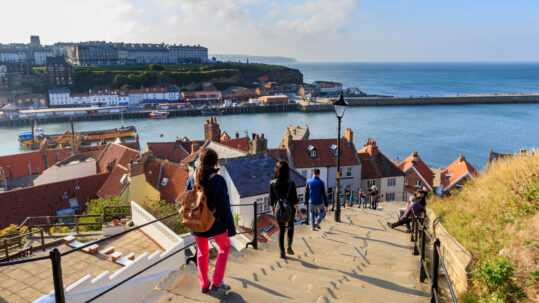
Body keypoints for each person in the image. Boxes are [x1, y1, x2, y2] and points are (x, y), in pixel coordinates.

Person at [184, 148, 236, 293]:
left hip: (197, 222)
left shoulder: (191, 178)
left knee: (202, 252)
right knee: (225, 247)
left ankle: (204, 284)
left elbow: (188, 201)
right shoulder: (218, 179)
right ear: (214, 162)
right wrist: (230, 228)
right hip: (215, 222)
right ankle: (217, 282)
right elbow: (225, 206)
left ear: (200, 160)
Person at [269, 161, 303, 259]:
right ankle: (289, 247)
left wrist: (274, 212)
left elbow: (271, 201)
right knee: (291, 227)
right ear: (287, 171)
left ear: (277, 170)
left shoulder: (272, 184)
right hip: (290, 210)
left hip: (278, 211)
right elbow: (295, 200)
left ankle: (282, 252)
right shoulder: (291, 183)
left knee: (281, 230)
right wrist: (299, 212)